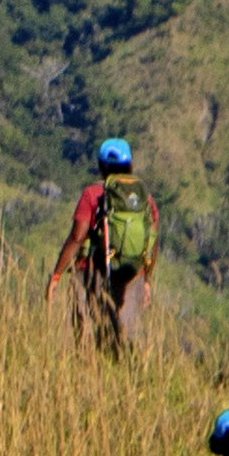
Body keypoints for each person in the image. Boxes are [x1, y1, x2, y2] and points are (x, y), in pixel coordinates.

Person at [53, 135, 155, 352]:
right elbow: (152, 239)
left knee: (87, 336)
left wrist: (56, 274)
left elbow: (77, 237)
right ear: (130, 165)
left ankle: (92, 376)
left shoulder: (92, 194)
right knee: (125, 338)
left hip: (93, 272)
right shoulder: (143, 197)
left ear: (101, 166)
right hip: (131, 273)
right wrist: (147, 278)